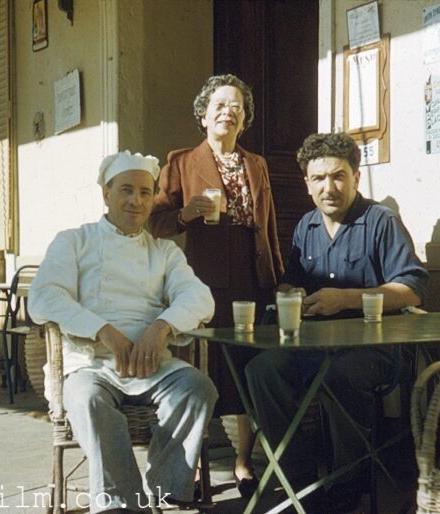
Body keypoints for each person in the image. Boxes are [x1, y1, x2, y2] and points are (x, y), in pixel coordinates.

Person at [245, 132, 428, 512]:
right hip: (312, 345)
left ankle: (348, 482)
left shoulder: (381, 221)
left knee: (338, 374)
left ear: (356, 178)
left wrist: (344, 299)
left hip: (375, 349)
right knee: (263, 369)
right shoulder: (306, 226)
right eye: (320, 179)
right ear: (307, 184)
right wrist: (290, 292)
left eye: (338, 176)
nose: (330, 187)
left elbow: (410, 289)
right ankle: (299, 480)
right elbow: (291, 279)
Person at [28, 151, 218, 514]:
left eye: (146, 193)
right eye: (126, 190)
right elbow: (44, 297)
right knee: (85, 400)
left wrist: (160, 328)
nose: (136, 201)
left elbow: (199, 297)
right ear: (106, 194)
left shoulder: (164, 252)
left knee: (198, 387)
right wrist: (102, 331)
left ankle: (165, 490)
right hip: (92, 365)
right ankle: (123, 505)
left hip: (154, 365)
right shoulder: (74, 241)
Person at [149, 74, 285, 498]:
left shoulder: (256, 163)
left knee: (245, 368)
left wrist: (278, 282)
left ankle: (244, 464)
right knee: (200, 368)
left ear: (245, 120)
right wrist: (187, 213)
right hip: (203, 281)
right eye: (220, 105)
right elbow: (156, 222)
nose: (229, 111)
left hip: (251, 278)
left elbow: (270, 228)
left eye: (237, 107)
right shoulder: (181, 161)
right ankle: (190, 465)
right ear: (203, 115)